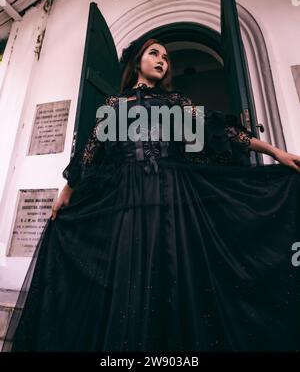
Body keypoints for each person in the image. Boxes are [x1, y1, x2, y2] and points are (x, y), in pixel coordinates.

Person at [2, 38, 300, 352]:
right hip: (127, 197)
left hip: (173, 192)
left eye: (167, 57)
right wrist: (66, 192)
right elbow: (89, 155)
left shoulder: (176, 103)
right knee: (130, 276)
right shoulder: (114, 106)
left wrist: (274, 151)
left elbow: (219, 132)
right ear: (137, 62)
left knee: (176, 270)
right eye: (154, 53)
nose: (162, 60)